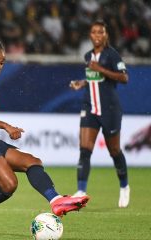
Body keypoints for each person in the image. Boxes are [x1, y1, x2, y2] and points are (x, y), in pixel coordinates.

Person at [0, 38, 90, 238]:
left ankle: (56, 200)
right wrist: (4, 126)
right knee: (9, 184)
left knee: (32, 162)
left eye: (2, 63)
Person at [69, 20, 130, 208]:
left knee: (114, 151)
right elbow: (93, 79)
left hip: (109, 109)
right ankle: (80, 190)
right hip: (90, 108)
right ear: (90, 35)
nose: (97, 35)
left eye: (100, 32)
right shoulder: (88, 56)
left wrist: (101, 69)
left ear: (105, 35)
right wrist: (82, 83)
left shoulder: (112, 55)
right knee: (85, 149)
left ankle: (124, 186)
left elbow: (124, 77)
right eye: (94, 32)